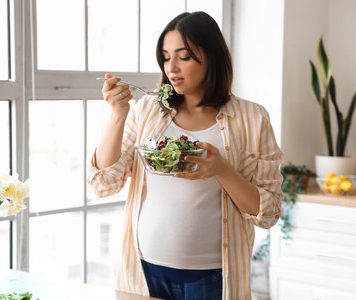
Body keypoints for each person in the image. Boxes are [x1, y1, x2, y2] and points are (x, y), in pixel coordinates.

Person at [88, 11, 283, 300]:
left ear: (212, 57)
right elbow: (105, 182)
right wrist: (118, 115)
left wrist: (222, 169)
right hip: (143, 272)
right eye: (166, 57)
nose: (172, 68)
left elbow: (267, 212)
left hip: (214, 278)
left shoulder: (252, 118)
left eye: (184, 56)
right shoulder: (147, 111)